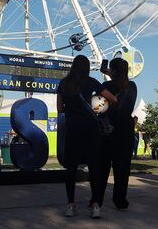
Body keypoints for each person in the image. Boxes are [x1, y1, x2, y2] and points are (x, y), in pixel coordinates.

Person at [57, 54, 117, 219]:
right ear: (87, 67)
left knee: (70, 168)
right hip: (91, 130)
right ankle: (96, 206)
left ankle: (70, 205)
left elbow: (60, 109)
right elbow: (112, 99)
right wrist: (98, 108)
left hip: (73, 129)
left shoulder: (63, 84)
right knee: (94, 168)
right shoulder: (91, 82)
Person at [96, 57, 137, 211]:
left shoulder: (105, 86)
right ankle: (120, 200)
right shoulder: (131, 86)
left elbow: (97, 108)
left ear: (112, 71)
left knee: (102, 168)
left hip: (107, 131)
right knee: (122, 169)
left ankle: (97, 199)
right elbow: (127, 109)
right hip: (124, 131)